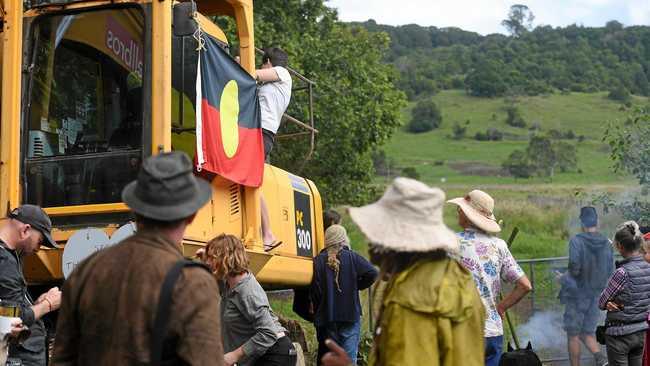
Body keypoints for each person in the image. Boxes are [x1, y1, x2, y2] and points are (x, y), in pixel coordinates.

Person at [52, 151, 224, 365]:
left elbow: (62, 360)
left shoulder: (86, 270)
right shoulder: (192, 283)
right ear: (191, 215)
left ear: (136, 209)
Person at [348, 177, 485, 365]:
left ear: (395, 240)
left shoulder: (408, 297)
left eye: (377, 234)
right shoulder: (460, 278)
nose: (371, 246)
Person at [447, 190, 532, 366]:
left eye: (461, 209)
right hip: (492, 330)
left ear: (469, 216)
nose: (458, 212)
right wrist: (501, 307)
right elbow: (525, 285)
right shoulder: (498, 245)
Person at [200, 233, 296, 366]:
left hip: (275, 354)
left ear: (225, 258)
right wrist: (204, 260)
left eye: (212, 258)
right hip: (261, 355)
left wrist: (234, 355)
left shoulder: (247, 292)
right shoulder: (229, 285)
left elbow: (268, 333)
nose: (208, 262)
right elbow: (213, 281)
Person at [0, 205, 62, 366]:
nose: (38, 248)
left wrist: (36, 305)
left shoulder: (9, 256)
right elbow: (10, 321)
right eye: (40, 241)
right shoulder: (5, 262)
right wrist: (48, 305)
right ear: (25, 230)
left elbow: (7, 309)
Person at [311, 224, 378, 364]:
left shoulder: (317, 261)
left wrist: (318, 311)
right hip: (350, 315)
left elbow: (316, 291)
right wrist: (357, 286)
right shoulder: (353, 258)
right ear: (343, 240)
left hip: (327, 318)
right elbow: (373, 273)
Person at [560, 206, 612, 366]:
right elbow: (610, 269)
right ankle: (602, 361)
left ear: (582, 222)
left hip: (578, 295)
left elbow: (575, 268)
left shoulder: (577, 241)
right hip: (597, 294)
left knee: (573, 335)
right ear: (597, 221)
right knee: (587, 332)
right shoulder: (606, 242)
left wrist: (563, 277)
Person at [598, 221, 650, 366]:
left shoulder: (622, 273)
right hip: (640, 332)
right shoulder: (648, 268)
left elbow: (602, 302)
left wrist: (615, 304)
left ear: (620, 246)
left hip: (620, 335)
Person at [255, 47, 292, 251]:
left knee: (253, 181)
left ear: (268, 62)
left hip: (262, 131)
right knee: (253, 182)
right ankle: (266, 233)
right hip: (259, 131)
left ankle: (267, 233)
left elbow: (253, 74)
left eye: (263, 64)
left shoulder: (282, 73)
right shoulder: (274, 84)